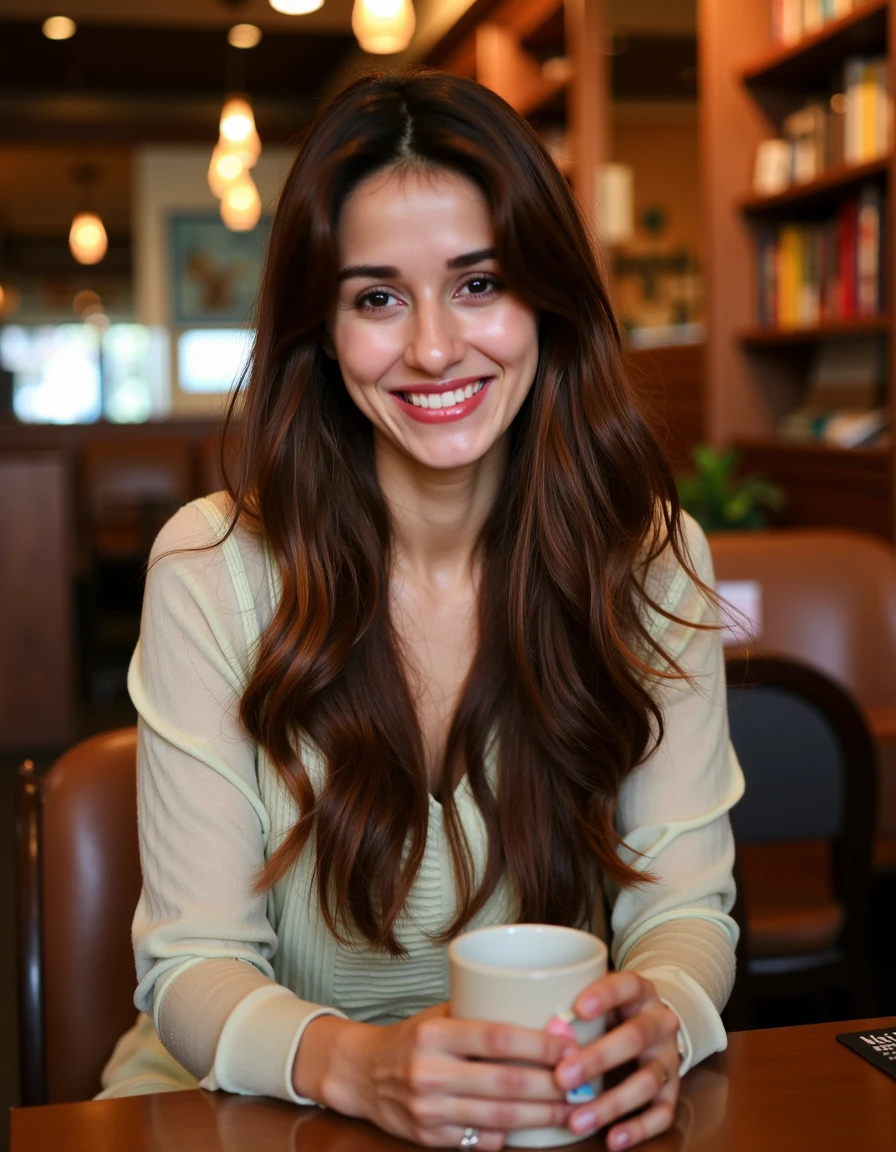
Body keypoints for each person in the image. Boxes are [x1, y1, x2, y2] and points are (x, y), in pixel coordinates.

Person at [100, 68, 744, 1152]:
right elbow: (192, 965)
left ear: (545, 296)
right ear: (323, 329)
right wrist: (358, 1067)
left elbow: (683, 914)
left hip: (534, 1121)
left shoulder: (651, 560)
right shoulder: (210, 568)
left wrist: (662, 1019)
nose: (435, 348)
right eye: (377, 297)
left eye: (478, 282)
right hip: (246, 1114)